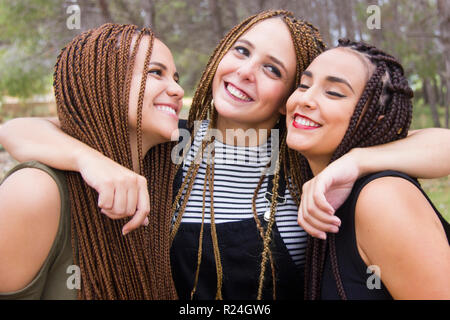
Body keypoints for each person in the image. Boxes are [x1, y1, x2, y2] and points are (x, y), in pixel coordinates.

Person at [1, 10, 450, 300]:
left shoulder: (305, 166)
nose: (246, 72)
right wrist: (89, 160)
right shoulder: (165, 145)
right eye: (241, 50)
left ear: (288, 97)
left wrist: (357, 161)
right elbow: (19, 129)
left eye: (273, 69)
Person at [0, 23, 184, 299]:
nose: (178, 90)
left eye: (176, 78)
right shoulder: (36, 190)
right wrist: (87, 159)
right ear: (103, 83)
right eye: (156, 73)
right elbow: (13, 128)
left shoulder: (165, 175)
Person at [286, 39, 450, 299]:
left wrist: (356, 160)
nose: (305, 99)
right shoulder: (306, 178)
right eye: (304, 85)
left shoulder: (381, 197)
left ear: (375, 120)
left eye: (334, 93)